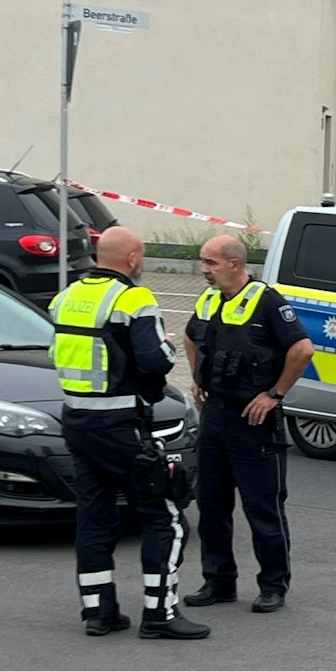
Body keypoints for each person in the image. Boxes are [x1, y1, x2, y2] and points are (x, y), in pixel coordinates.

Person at [47, 226, 208, 640]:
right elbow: (156, 362)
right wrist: (169, 347)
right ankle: (160, 614)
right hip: (120, 424)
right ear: (133, 259)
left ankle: (99, 612)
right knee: (165, 517)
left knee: (95, 516)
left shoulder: (67, 297)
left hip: (77, 422)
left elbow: (56, 352)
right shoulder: (133, 298)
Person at [182, 236, 315, 614]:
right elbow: (193, 338)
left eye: (210, 262)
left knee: (263, 507)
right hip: (215, 416)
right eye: (202, 262)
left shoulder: (266, 301)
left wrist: (274, 394)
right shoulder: (209, 300)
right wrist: (197, 377)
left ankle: (273, 585)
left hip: (253, 420)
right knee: (212, 505)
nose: (203, 269)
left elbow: (302, 349)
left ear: (234, 264)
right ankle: (218, 581)